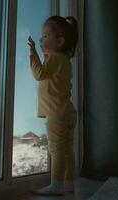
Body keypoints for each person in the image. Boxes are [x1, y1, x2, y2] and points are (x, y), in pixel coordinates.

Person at [27, 15, 78, 196]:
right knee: (67, 150)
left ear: (60, 41)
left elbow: (39, 74)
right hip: (68, 112)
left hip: (56, 114)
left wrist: (33, 54)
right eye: (41, 38)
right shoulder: (64, 59)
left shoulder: (54, 58)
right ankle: (69, 182)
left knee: (56, 150)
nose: (41, 41)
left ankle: (56, 184)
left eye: (45, 37)